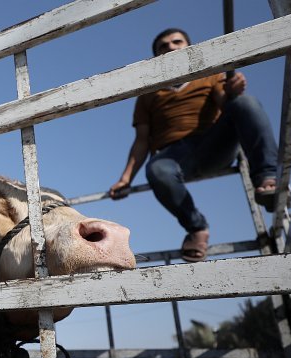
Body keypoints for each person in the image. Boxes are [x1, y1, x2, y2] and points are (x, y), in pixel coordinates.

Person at [109, 28, 278, 262]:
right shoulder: (148, 94)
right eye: (163, 46)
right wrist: (125, 179)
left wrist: (232, 93)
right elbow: (142, 140)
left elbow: (228, 107)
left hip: (212, 144)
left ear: (189, 47)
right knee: (157, 169)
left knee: (245, 103)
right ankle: (196, 228)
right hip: (172, 156)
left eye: (177, 42)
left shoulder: (209, 75)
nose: (170, 47)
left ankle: (267, 178)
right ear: (156, 57)